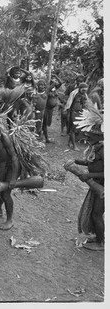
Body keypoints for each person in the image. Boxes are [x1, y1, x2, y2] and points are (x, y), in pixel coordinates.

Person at [64, 105, 104, 251]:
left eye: (89, 135)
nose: (86, 136)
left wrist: (89, 175)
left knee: (96, 214)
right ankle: (97, 235)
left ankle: (102, 243)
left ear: (98, 136)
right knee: (95, 213)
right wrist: (75, 162)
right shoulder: (97, 147)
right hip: (97, 185)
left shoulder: (105, 150)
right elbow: (91, 162)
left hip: (103, 187)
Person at [64, 82, 88, 151]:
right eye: (83, 90)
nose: (84, 91)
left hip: (80, 113)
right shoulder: (74, 93)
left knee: (75, 128)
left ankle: (69, 143)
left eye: (85, 90)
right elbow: (69, 103)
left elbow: (85, 104)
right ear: (80, 88)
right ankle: (74, 146)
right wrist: (68, 113)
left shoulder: (84, 95)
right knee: (73, 129)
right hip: (73, 113)